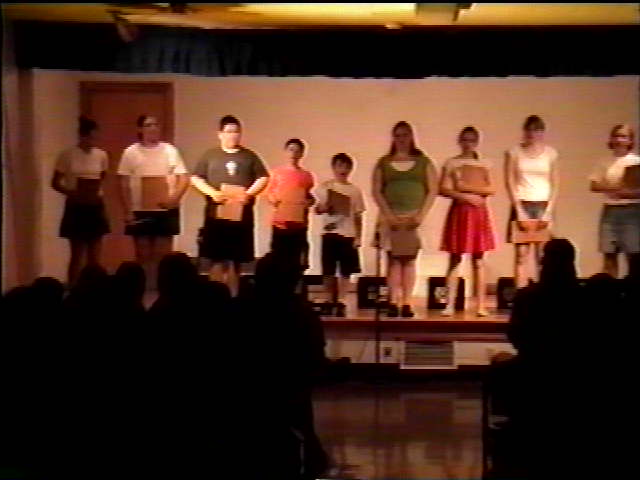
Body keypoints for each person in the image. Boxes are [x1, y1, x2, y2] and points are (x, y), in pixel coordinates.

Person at [191, 115, 269, 297]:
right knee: (216, 259)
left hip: (241, 217)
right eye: (228, 131)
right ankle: (214, 297)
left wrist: (249, 194)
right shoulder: (210, 155)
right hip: (216, 216)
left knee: (236, 260)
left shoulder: (249, 156)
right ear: (220, 134)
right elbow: (195, 178)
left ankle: (233, 297)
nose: (233, 135)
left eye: (236, 132)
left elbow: (263, 177)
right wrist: (212, 193)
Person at [372, 121, 438, 318]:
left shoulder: (423, 162)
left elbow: (432, 189)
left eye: (405, 135)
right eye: (398, 135)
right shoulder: (384, 162)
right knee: (393, 260)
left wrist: (420, 215)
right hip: (390, 216)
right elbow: (377, 190)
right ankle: (393, 301)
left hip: (414, 216)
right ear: (393, 138)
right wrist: (388, 215)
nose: (402, 139)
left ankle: (407, 302)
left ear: (412, 137)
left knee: (409, 260)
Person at [117, 115, 190, 291]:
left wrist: (174, 199)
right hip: (140, 209)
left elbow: (184, 178)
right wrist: (127, 210)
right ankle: (142, 288)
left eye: (156, 124)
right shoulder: (131, 152)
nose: (153, 128)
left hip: (165, 209)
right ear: (140, 129)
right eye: (148, 125)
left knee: (163, 254)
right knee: (142, 253)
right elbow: (123, 182)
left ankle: (162, 288)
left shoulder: (170, 150)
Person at [439, 126, 496, 317]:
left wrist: (465, 187)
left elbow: (491, 189)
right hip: (460, 212)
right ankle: (449, 304)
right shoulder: (452, 163)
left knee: (479, 260)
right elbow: (443, 188)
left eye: (471, 140)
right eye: (464, 140)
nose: (468, 144)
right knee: (455, 258)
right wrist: (464, 196)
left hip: (479, 213)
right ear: (459, 141)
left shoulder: (485, 163)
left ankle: (481, 305)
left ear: (477, 142)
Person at [52, 116, 110, 287]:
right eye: (90, 137)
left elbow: (102, 176)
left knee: (95, 254)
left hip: (95, 205)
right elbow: (55, 182)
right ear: (82, 136)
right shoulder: (67, 155)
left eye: (95, 137)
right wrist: (71, 192)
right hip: (76, 206)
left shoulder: (101, 155)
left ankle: (95, 288)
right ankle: (73, 288)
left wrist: (94, 191)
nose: (93, 141)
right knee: (77, 254)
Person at [504, 115, 559, 289]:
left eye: (537, 130)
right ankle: (521, 296)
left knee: (543, 255)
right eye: (529, 130)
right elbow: (510, 181)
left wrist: (549, 210)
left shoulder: (551, 153)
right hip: (523, 203)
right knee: (521, 255)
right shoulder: (514, 152)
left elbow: (555, 183)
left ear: (542, 132)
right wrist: (518, 209)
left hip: (543, 204)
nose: (533, 134)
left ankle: (542, 296)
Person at [315, 153, 365, 317]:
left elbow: (358, 216)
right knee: (328, 270)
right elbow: (317, 209)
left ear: (351, 169)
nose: (343, 169)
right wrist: (324, 208)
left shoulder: (354, 191)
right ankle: (329, 300)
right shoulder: (325, 187)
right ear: (333, 167)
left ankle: (342, 300)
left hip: (347, 234)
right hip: (329, 233)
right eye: (339, 166)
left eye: (346, 166)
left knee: (346, 271)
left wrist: (358, 237)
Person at [589, 124, 640, 279]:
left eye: (624, 136)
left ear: (630, 141)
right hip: (610, 211)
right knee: (609, 254)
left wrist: (627, 193)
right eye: (616, 136)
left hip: (631, 211)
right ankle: (610, 289)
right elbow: (594, 185)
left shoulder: (636, 161)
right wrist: (613, 188)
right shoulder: (605, 161)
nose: (619, 140)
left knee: (633, 256)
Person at [266, 138, 315, 271]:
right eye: (291, 150)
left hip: (299, 224)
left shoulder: (306, 175)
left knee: (297, 260)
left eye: (297, 151)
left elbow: (309, 196)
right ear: (285, 152)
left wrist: (309, 202)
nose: (293, 154)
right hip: (280, 224)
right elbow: (269, 193)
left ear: (302, 154)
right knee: (278, 259)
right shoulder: (276, 173)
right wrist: (273, 199)